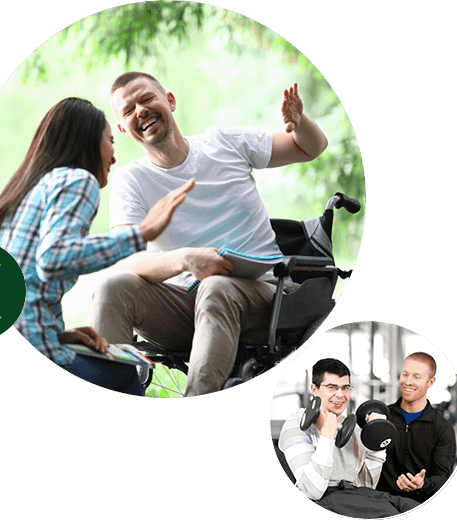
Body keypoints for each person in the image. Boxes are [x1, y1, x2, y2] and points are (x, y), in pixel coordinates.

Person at [89, 71, 328, 396]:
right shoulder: (131, 180)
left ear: (169, 100)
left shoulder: (225, 143)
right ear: (123, 129)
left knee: (216, 287)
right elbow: (127, 259)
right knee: (110, 287)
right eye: (128, 111)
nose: (140, 111)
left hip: (264, 295)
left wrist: (299, 122)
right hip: (185, 305)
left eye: (146, 99)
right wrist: (185, 260)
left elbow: (310, 147)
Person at [0, 97, 194, 395]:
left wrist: (61, 337)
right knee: (123, 373)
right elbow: (53, 258)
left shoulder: (21, 195)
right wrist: (141, 232)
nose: (114, 156)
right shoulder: (79, 180)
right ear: (89, 142)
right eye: (111, 141)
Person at [278, 358, 420, 518]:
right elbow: (311, 492)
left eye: (345, 388)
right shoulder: (296, 425)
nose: (340, 395)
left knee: (410, 505)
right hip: (326, 500)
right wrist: (327, 436)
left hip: (357, 495)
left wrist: (377, 439)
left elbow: (366, 485)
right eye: (332, 387)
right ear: (315, 389)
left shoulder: (350, 427)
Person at [377, 352, 456, 502]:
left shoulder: (442, 428)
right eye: (405, 374)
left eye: (416, 377)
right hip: (382, 502)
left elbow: (443, 478)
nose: (408, 382)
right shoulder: (383, 417)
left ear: (430, 381)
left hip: (419, 503)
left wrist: (422, 484)